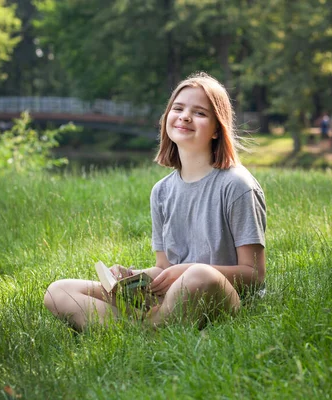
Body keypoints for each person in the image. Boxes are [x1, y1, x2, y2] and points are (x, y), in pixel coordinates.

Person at [44, 72, 267, 331]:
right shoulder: (161, 191)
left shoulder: (237, 185)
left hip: (219, 296)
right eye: (178, 108)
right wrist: (132, 279)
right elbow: (164, 268)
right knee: (59, 291)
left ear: (217, 129)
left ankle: (139, 330)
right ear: (167, 118)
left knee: (200, 275)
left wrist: (188, 269)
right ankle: (144, 327)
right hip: (172, 296)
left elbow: (254, 276)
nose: (184, 116)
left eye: (200, 113)